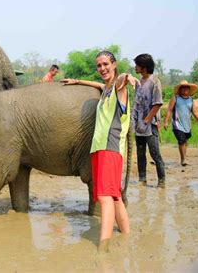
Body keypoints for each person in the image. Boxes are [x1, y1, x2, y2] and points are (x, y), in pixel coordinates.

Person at [61, 50, 138, 253]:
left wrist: (127, 76)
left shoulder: (119, 88)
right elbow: (100, 85)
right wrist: (77, 81)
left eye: (106, 64)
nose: (102, 68)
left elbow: (120, 80)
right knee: (115, 196)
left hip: (110, 148)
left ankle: (103, 247)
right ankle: (126, 235)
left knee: (104, 197)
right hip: (100, 148)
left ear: (114, 64)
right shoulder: (106, 89)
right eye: (99, 66)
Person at [132, 53, 166, 188]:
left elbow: (158, 103)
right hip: (139, 124)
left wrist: (147, 119)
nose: (135, 67)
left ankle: (162, 181)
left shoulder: (154, 81)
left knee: (155, 153)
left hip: (150, 124)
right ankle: (142, 180)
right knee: (140, 154)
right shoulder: (139, 82)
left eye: (137, 65)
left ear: (144, 67)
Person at [164, 80, 198, 166]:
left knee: (185, 141)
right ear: (180, 90)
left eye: (187, 88)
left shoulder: (191, 100)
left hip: (187, 124)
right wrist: (166, 122)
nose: (185, 90)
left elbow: (195, 112)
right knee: (181, 141)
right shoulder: (175, 98)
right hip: (177, 124)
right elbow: (169, 110)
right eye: (183, 88)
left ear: (189, 90)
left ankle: (183, 158)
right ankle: (183, 159)